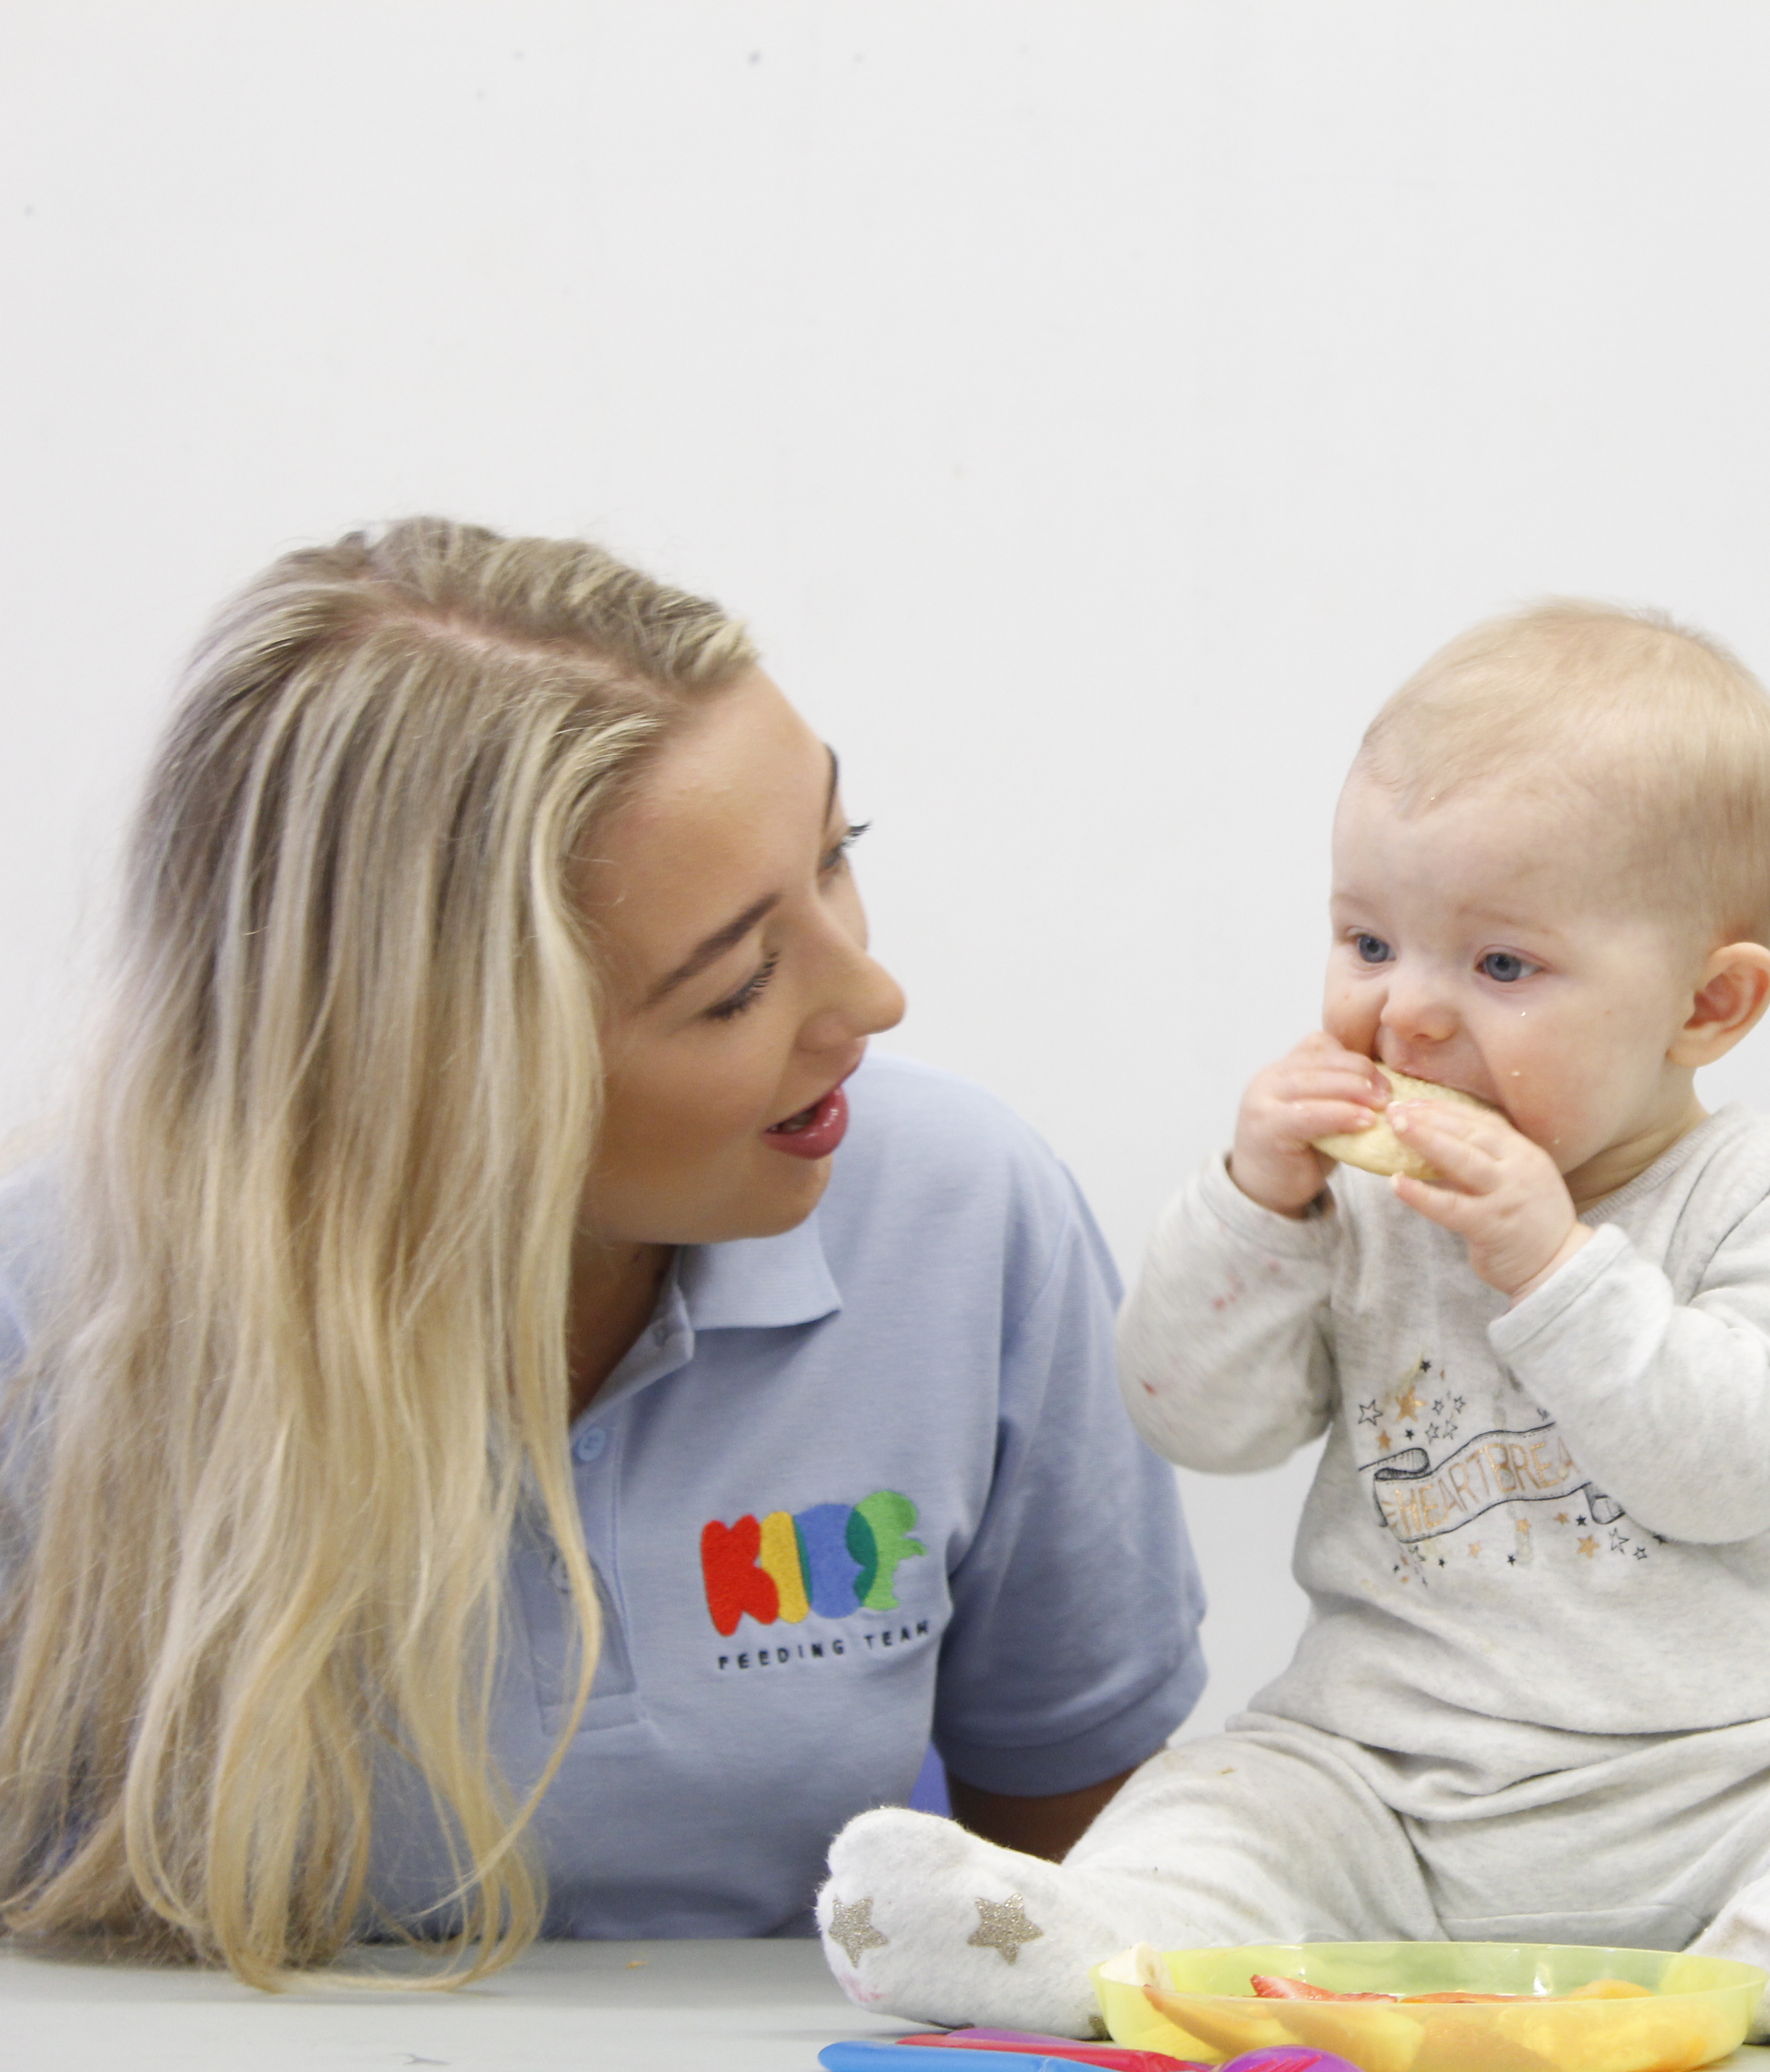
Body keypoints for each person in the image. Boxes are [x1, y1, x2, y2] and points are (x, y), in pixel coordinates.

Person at [816, 603, 1770, 2044]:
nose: (1407, 1016)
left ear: (1709, 1005)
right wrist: (1253, 1207)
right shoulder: (1363, 1208)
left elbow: (1743, 1463)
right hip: (1385, 1782)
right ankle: (1081, 1946)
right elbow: (1192, 1418)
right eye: (1370, 941)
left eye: (1502, 967)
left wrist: (1553, 1264)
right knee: (1220, 1799)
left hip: (1730, 1777)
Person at [0, 521, 1205, 1986]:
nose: (872, 997)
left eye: (840, 856)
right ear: (440, 1076)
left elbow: (1078, 1911)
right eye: (739, 983)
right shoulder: (42, 1325)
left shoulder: (967, 1219)